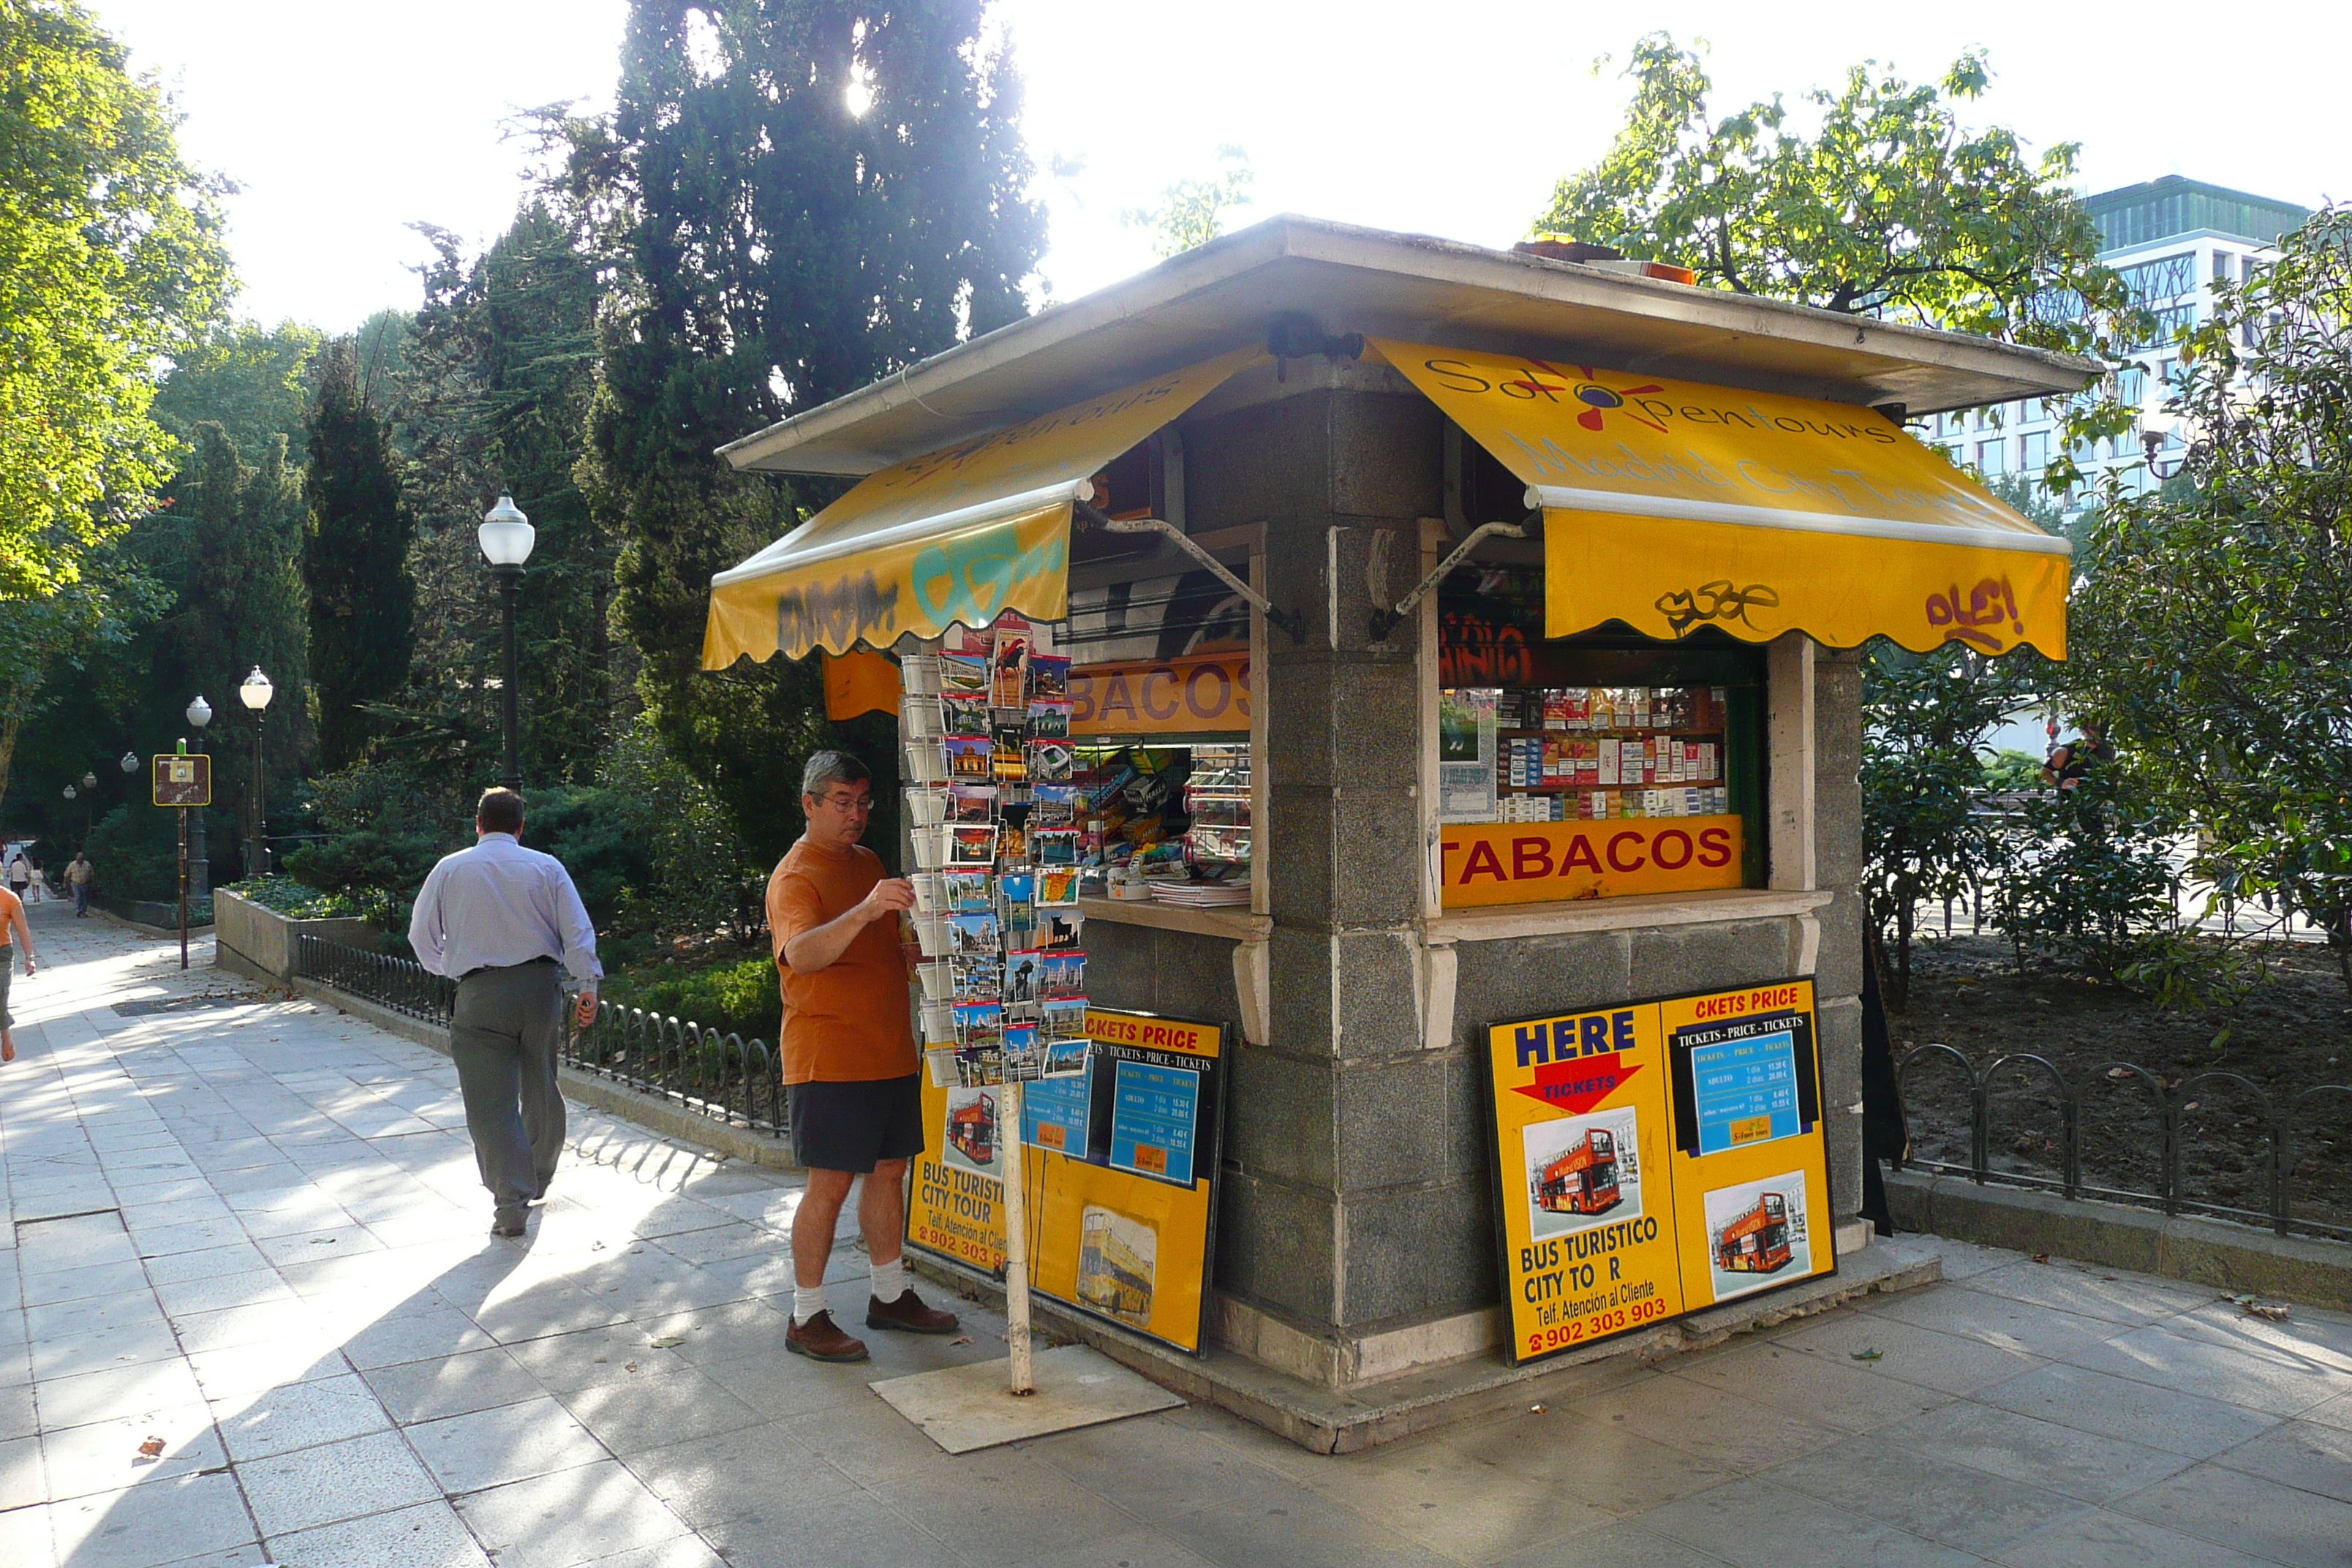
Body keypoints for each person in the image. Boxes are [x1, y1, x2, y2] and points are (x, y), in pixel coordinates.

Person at [770, 750, 958, 1362]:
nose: (855, 816)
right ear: (810, 805)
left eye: (863, 803)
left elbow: (881, 948)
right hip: (829, 1056)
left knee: (889, 1171)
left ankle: (889, 1293)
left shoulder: (870, 863)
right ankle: (806, 1314)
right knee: (829, 1183)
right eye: (842, 803)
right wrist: (868, 908)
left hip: (887, 1050)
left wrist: (915, 958)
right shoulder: (797, 874)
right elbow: (802, 954)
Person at [408, 788, 601, 1238]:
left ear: (478, 825)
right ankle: (540, 1173)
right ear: (521, 827)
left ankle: (510, 1202)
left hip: (479, 993)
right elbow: (577, 929)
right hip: (539, 989)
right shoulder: (546, 867)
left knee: (490, 1103)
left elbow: (421, 936)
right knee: (541, 1082)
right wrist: (587, 985)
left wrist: (452, 968)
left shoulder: (449, 869)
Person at [0, 881, 36, 1064]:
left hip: (2, 955)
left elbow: (23, 929)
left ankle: (6, 1037)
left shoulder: (9, 898)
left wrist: (29, 956)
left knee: (0, 998)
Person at [2041, 719, 2113, 792]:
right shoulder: (2065, 751)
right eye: (2094, 728)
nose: (2098, 732)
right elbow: (2043, 773)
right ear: (2083, 730)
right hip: (2072, 801)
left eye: (2101, 728)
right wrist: (2061, 783)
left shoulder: (2108, 749)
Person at [65, 853, 92, 917]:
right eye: (78, 859)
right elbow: (67, 875)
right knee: (78, 896)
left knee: (85, 898)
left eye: (81, 859)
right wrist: (66, 883)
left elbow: (91, 873)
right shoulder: (72, 865)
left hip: (85, 883)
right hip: (76, 883)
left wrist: (92, 882)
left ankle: (84, 911)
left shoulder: (87, 864)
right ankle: (79, 911)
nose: (80, 860)